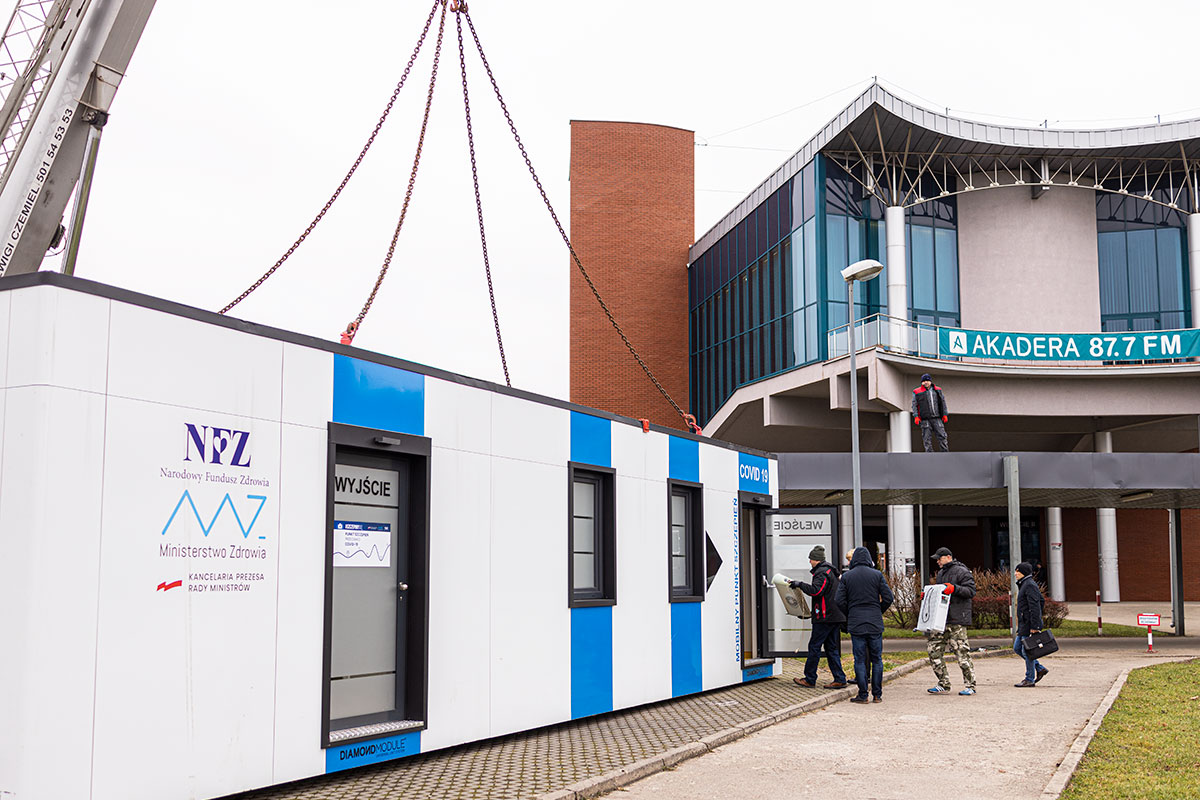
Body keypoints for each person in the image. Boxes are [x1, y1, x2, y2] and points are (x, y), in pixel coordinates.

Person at [835, 546, 894, 704]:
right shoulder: (877, 575)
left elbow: (839, 600)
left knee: (859, 660)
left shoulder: (847, 577)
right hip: (875, 622)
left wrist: (850, 612)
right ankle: (877, 694)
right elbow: (888, 597)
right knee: (877, 660)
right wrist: (878, 610)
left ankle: (862, 694)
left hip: (856, 622)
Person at [790, 546, 848, 690]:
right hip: (834, 615)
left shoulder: (822, 572)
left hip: (825, 616)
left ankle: (810, 679)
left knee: (814, 646)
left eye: (811, 559)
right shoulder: (830, 571)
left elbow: (817, 591)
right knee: (831, 648)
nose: (809, 561)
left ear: (817, 560)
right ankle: (840, 679)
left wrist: (800, 584)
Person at [924, 547, 978, 696]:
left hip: (957, 619)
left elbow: (971, 591)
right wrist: (929, 596)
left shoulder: (962, 571)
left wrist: (954, 588)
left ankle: (970, 685)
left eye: (939, 558)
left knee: (962, 653)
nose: (937, 561)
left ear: (948, 557)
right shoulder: (941, 573)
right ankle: (943, 683)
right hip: (941, 619)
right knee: (933, 650)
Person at [1013, 561, 1049, 687]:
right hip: (1024, 624)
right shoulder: (1024, 584)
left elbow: (1036, 606)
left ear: (1024, 572)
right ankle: (1039, 668)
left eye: (1018, 571)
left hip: (1029, 625)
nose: (1015, 573)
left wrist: (1035, 626)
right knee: (1017, 648)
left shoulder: (1029, 585)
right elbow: (1041, 600)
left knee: (1027, 651)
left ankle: (1029, 679)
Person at [912, 373, 949, 452]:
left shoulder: (937, 390)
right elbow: (914, 405)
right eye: (924, 381)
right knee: (926, 438)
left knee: (942, 436)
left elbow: (943, 402)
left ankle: (945, 452)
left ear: (930, 381)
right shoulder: (917, 392)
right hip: (925, 419)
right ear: (922, 382)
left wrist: (945, 414)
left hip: (937, 418)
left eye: (927, 381)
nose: (926, 382)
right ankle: (929, 454)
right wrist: (916, 416)